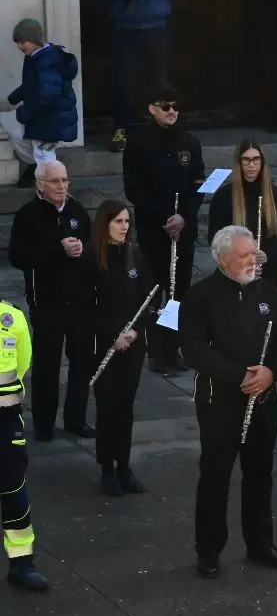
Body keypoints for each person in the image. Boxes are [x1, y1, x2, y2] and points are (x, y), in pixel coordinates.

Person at [179, 226, 277, 577]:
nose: (253, 261)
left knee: (260, 474)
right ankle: (209, 549)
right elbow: (194, 349)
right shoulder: (200, 297)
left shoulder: (268, 293)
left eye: (254, 254)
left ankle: (260, 543)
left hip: (263, 399)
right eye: (245, 256)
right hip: (220, 403)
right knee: (215, 475)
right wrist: (240, 377)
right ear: (222, 260)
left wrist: (271, 372)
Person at [7, 160, 94, 441]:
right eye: (55, 181)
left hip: (79, 300)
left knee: (82, 361)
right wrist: (57, 250)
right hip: (46, 300)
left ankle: (76, 419)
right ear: (40, 185)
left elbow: (93, 246)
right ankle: (44, 424)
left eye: (65, 180)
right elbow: (18, 256)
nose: (62, 187)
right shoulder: (27, 215)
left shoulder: (77, 211)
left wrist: (84, 249)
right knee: (46, 363)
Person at [119, 84, 203, 374]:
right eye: (165, 106)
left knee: (179, 294)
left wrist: (184, 217)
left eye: (175, 107)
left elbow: (198, 185)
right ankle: (155, 350)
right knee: (154, 292)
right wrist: (164, 218)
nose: (171, 112)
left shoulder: (189, 142)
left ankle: (173, 347)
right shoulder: (138, 143)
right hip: (155, 232)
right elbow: (134, 189)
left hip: (184, 232)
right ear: (151, 108)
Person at [94, 0, 179, 152]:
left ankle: (163, 133)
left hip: (156, 27)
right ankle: (121, 132)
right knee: (124, 82)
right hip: (126, 28)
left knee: (159, 82)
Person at [89, 199, 157, 496]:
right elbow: (86, 307)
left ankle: (124, 465)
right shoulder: (92, 258)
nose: (123, 227)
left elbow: (148, 296)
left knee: (126, 407)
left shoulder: (134, 255)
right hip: (104, 344)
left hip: (132, 343)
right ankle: (107, 467)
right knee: (107, 406)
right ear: (105, 223)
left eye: (127, 222)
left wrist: (135, 331)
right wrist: (112, 334)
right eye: (118, 221)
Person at [0, 301, 46, 590]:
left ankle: (22, 564)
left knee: (14, 491)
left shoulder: (13, 318)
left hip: (5, 420)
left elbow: (24, 363)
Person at [208, 140, 277, 289]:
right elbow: (214, 237)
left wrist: (267, 255)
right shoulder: (224, 196)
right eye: (246, 160)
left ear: (262, 162)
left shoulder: (276, 195)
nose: (251, 165)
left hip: (268, 272)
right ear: (239, 163)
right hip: (234, 272)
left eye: (256, 159)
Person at [6, 18, 78, 189]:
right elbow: (30, 85)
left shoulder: (48, 61)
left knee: (44, 153)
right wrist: (11, 100)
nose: (20, 46)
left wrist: (24, 113)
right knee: (18, 136)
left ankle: (53, 187)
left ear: (35, 39)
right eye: (18, 42)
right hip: (42, 116)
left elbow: (48, 97)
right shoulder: (34, 57)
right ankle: (37, 168)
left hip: (52, 118)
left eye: (24, 42)